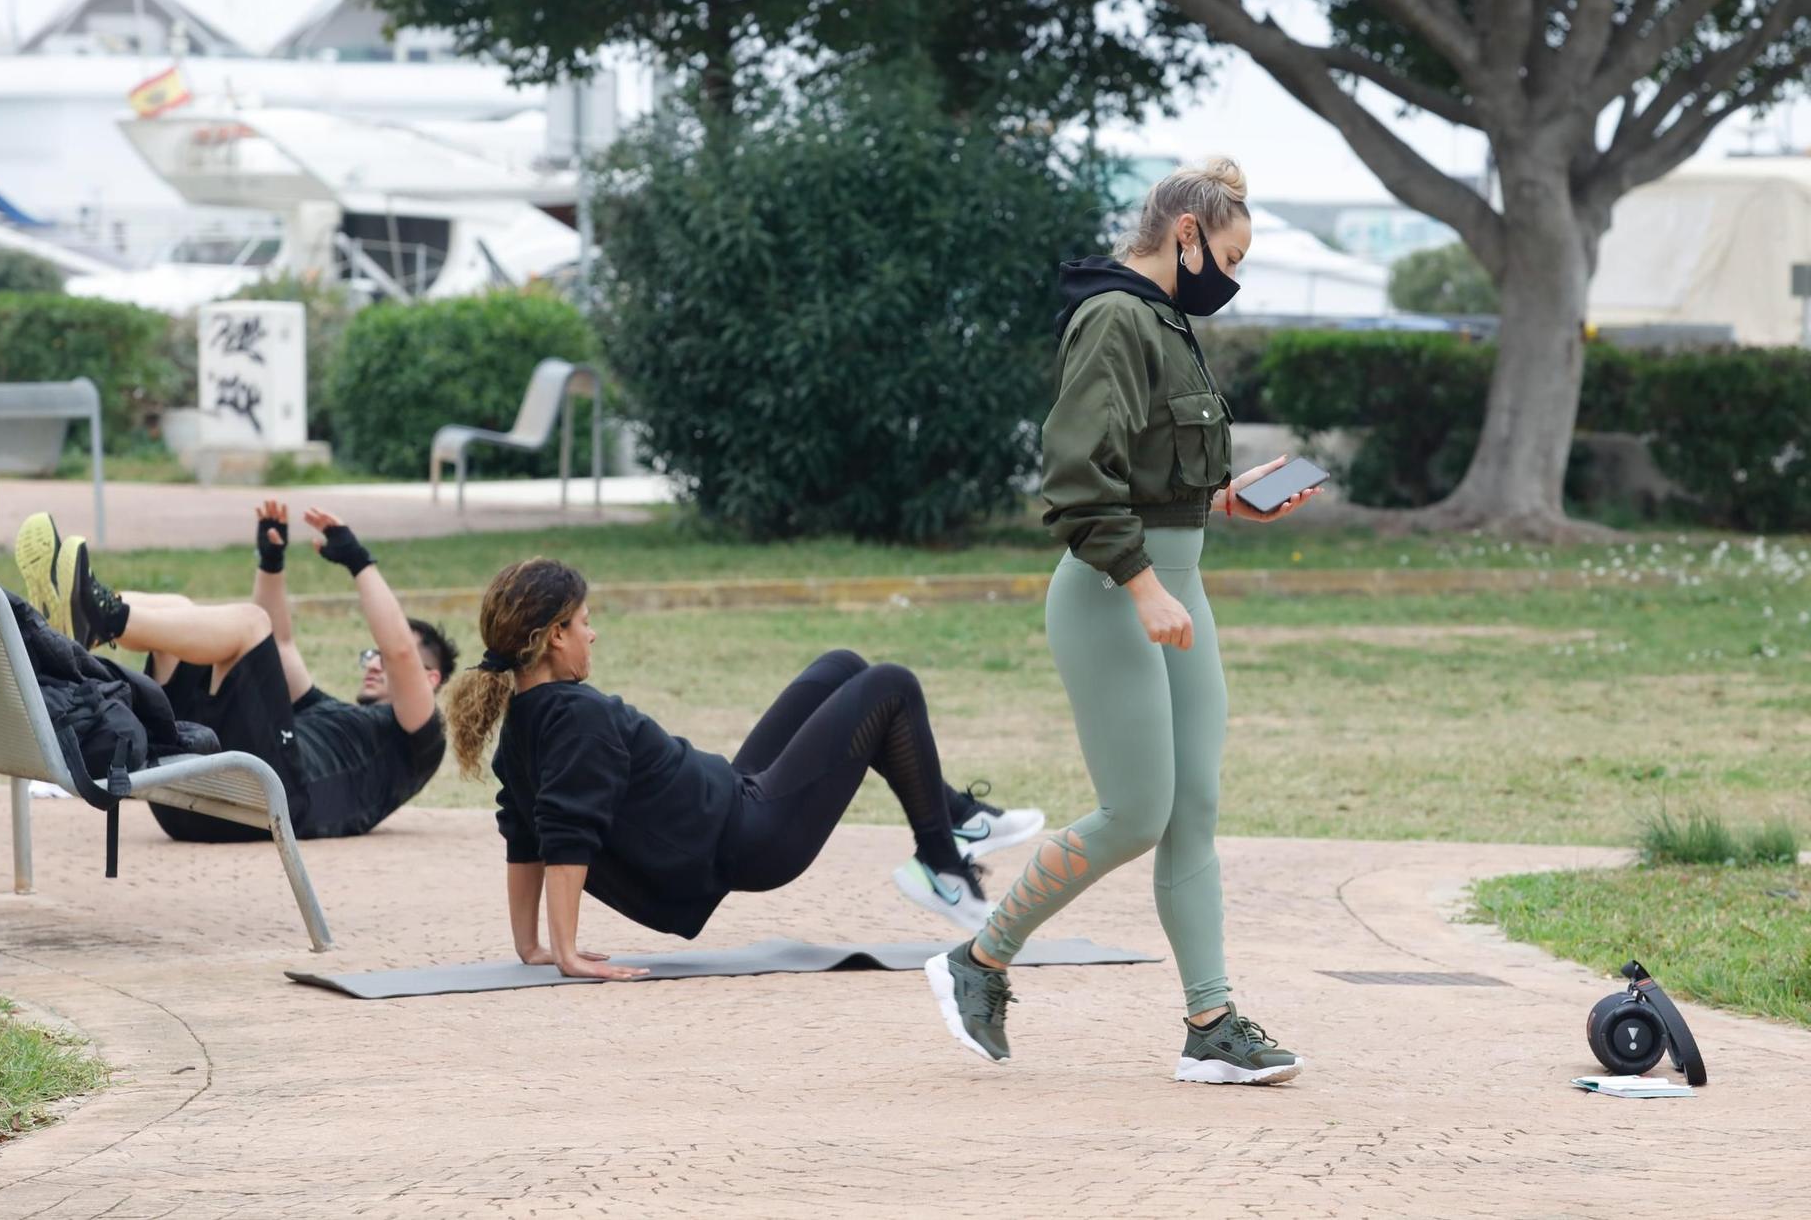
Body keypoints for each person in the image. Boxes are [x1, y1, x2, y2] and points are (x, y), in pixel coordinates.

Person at [925, 157, 1322, 1084]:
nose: (1232, 273)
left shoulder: (1162, 323)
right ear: (1185, 233)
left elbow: (1148, 468)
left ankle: (1211, 1022)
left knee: (1194, 810)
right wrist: (1145, 586)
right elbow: (1075, 477)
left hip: (1175, 584)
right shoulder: (1113, 317)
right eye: (1227, 252)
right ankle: (978, 958)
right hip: (1117, 593)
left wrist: (1225, 499)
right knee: (1139, 810)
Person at [439, 558, 1045, 979]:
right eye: (584, 622)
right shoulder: (577, 718)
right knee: (891, 685)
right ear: (553, 637)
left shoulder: (522, 722)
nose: (593, 635)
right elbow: (562, 833)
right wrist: (564, 952)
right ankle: (942, 864)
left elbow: (523, 835)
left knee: (842, 666)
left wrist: (530, 945)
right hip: (752, 836)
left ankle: (957, 817)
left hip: (731, 796)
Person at [12, 500, 456, 841]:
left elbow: (399, 650)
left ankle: (98, 618)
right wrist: (271, 564)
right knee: (180, 624)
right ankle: (78, 627)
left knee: (248, 624)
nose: (377, 660)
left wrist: (360, 562)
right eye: (370, 654)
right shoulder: (328, 712)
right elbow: (277, 647)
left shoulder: (417, 742)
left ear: (430, 679)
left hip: (270, 805)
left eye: (382, 656)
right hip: (196, 798)